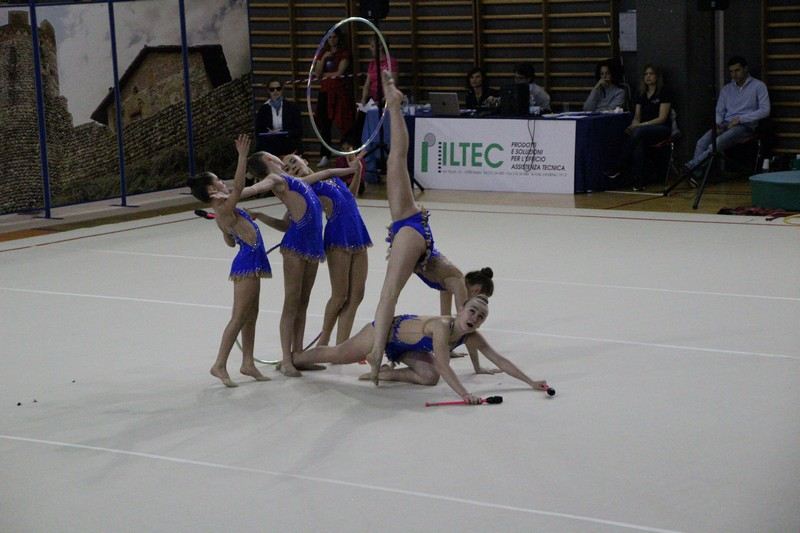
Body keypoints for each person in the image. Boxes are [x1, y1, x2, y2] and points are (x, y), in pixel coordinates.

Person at [364, 71, 472, 384]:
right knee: (396, 160)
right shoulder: (456, 281)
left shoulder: (457, 281)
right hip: (417, 233)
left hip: (411, 229)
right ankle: (394, 103)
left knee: (388, 294)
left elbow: (398, 155)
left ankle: (376, 352)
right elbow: (457, 306)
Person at [293, 295, 552, 403]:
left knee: (430, 378)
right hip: (386, 332)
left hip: (406, 348)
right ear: (461, 310)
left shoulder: (472, 336)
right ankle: (295, 358)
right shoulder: (442, 327)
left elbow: (499, 360)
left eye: (481, 316)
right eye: (472, 311)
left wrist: (530, 382)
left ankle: (386, 372)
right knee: (338, 355)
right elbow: (443, 363)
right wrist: (464, 394)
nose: (475, 318)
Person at [245, 151, 351, 376]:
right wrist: (229, 195)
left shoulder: (299, 182)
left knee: (303, 302)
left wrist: (353, 169)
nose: (279, 158)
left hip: (312, 247)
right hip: (295, 247)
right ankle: (286, 359)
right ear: (268, 160)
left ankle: (299, 355)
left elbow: (327, 172)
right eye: (272, 155)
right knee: (292, 303)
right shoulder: (275, 179)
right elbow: (253, 189)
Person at [186, 134, 275, 387]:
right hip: (247, 264)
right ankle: (219, 364)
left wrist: (231, 227)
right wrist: (242, 157)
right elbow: (238, 187)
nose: (223, 183)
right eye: (218, 181)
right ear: (211, 190)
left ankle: (248, 363)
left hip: (251, 261)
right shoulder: (224, 208)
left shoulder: (223, 210)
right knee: (239, 317)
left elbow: (230, 242)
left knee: (251, 315)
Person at [281, 153, 371, 347]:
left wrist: (358, 172)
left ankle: (342, 345)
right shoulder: (305, 188)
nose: (292, 167)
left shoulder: (333, 178)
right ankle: (324, 341)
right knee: (340, 296)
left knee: (357, 295)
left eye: (293, 161)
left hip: (357, 233)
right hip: (338, 237)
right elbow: (287, 219)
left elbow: (350, 197)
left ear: (304, 160)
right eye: (287, 169)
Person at [683, 56, 770, 181]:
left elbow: (765, 110)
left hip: (745, 126)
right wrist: (718, 123)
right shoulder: (727, 89)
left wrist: (741, 119)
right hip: (725, 123)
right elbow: (719, 110)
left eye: (737, 70)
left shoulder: (758, 86)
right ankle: (696, 175)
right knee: (701, 142)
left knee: (717, 143)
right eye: (731, 71)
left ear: (745, 69)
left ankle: (692, 167)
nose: (734, 74)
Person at [608, 64, 674, 190]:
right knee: (638, 142)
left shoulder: (664, 92)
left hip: (661, 128)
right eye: (646, 74)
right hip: (643, 130)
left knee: (638, 133)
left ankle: (619, 166)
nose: (648, 77)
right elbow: (637, 117)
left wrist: (640, 126)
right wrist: (633, 125)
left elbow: (662, 118)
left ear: (657, 76)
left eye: (651, 74)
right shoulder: (641, 93)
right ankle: (638, 182)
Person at [313, 28, 355, 167]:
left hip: (340, 92)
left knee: (344, 122)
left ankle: (347, 153)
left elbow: (339, 73)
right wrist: (324, 58)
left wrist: (325, 75)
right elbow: (317, 74)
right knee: (324, 124)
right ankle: (325, 155)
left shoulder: (344, 53)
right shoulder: (323, 53)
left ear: (339, 38)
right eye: (329, 37)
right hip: (325, 92)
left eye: (334, 37)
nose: (332, 40)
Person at [254, 79, 303, 156]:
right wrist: (269, 133)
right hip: (270, 143)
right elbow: (258, 130)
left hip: (287, 141)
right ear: (268, 91)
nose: (275, 91)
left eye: (278, 89)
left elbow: (298, 129)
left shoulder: (292, 107)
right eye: (272, 89)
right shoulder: (263, 109)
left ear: (282, 90)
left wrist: (283, 132)